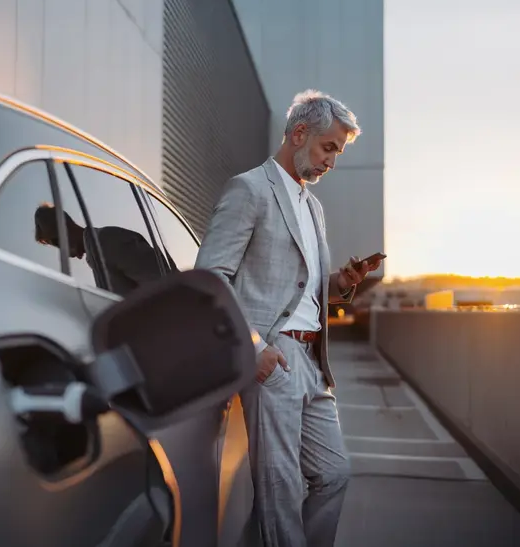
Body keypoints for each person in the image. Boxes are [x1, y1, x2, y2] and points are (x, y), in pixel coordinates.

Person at [194, 89, 382, 547]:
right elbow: (211, 277)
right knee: (278, 492)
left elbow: (301, 287)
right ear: (299, 133)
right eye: (328, 148)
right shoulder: (249, 189)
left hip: (315, 364)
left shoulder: (313, 207)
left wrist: (342, 280)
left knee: (334, 473)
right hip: (273, 359)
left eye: (337, 151)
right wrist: (254, 347)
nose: (331, 163)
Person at [33, 203, 165, 297]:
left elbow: (165, 289)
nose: (66, 254)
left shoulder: (108, 241)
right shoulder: (98, 253)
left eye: (57, 244)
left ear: (62, 230)